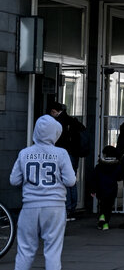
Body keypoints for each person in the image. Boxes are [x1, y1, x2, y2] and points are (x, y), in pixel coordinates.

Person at [10, 115, 77, 270]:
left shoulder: (24, 153)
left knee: (25, 249)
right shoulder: (61, 153)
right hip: (55, 206)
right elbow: (70, 181)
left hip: (30, 206)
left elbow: (14, 180)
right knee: (52, 250)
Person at [50, 101, 86, 221]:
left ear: (54, 111)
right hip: (74, 154)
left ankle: (68, 208)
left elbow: (58, 140)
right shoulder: (71, 120)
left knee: (66, 181)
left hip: (66, 154)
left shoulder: (59, 122)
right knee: (72, 180)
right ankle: (72, 207)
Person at [91, 145, 122, 231]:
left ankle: (101, 220)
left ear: (104, 154)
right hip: (112, 189)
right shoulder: (117, 165)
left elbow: (94, 178)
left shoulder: (99, 165)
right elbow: (119, 177)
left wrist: (93, 189)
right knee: (108, 207)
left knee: (102, 206)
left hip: (101, 189)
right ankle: (106, 223)